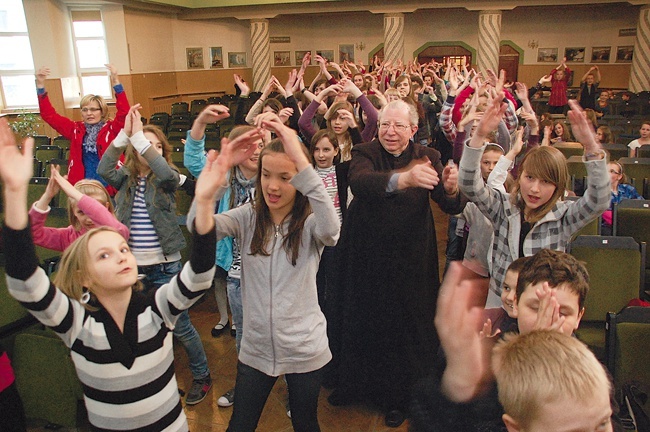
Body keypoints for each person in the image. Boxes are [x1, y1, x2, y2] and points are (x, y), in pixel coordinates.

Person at [0, 117, 218, 431]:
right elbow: (23, 280)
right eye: (104, 254)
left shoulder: (157, 310)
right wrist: (14, 193)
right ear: (84, 274)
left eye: (123, 249)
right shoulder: (76, 323)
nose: (120, 256)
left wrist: (206, 202)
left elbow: (199, 275)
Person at [186, 112, 339, 432]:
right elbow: (199, 229)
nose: (272, 185)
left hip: (303, 345)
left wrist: (297, 153)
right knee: (240, 424)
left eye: (285, 177)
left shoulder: (310, 223)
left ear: (300, 180)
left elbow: (332, 230)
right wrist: (210, 188)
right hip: (257, 346)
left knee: (305, 423)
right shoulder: (247, 216)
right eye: (266, 175)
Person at [330, 99, 466, 428]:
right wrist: (403, 180)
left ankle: (397, 397)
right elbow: (360, 183)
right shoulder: (365, 152)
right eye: (385, 125)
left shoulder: (429, 157)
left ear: (414, 130)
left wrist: (451, 189)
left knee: (404, 328)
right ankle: (356, 386)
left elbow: (449, 206)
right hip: (367, 256)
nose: (390, 132)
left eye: (399, 126)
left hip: (410, 259)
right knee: (364, 320)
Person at [410, 250, 619, 432]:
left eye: (562, 312)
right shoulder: (485, 366)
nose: (547, 319)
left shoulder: (594, 372)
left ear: (579, 317)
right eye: (536, 308)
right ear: (516, 304)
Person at [98, 106, 213, 405]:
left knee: (181, 326)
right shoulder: (124, 178)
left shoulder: (166, 177)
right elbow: (102, 170)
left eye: (154, 145)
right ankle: (155, 380)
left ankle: (202, 376)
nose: (146, 149)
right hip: (134, 267)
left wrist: (141, 141)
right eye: (142, 144)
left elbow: (163, 170)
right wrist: (125, 135)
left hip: (164, 265)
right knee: (142, 328)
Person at [459, 96, 610, 303]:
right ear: (519, 176)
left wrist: (591, 147)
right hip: (501, 298)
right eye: (529, 177)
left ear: (557, 186)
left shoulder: (563, 216)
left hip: (542, 302)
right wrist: (479, 136)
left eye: (546, 182)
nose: (535, 189)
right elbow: (469, 184)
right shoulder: (503, 207)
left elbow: (599, 200)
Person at [184, 105, 266, 408]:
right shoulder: (227, 181)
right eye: (248, 146)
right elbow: (198, 224)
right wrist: (200, 124)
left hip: (273, 269)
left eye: (260, 145)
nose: (255, 152)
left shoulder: (275, 179)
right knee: (243, 332)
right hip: (238, 270)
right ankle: (245, 387)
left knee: (277, 333)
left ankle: (288, 388)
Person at [35, 65, 129, 188]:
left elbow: (124, 113)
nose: (89, 113)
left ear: (102, 111)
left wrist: (116, 83)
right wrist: (40, 86)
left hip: (110, 185)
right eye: (85, 110)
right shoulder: (75, 129)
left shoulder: (112, 128)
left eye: (93, 109)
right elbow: (49, 115)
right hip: (83, 185)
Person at [29, 166, 128, 251]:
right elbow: (33, 233)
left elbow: (118, 229)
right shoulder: (68, 236)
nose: (89, 218)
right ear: (73, 211)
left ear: (106, 207)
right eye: (81, 212)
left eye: (92, 211)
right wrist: (47, 196)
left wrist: (75, 194)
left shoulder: (115, 232)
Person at [601, 161, 643, 235]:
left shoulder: (628, 189)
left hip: (629, 225)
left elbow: (642, 205)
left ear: (619, 176)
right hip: (606, 228)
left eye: (612, 171)